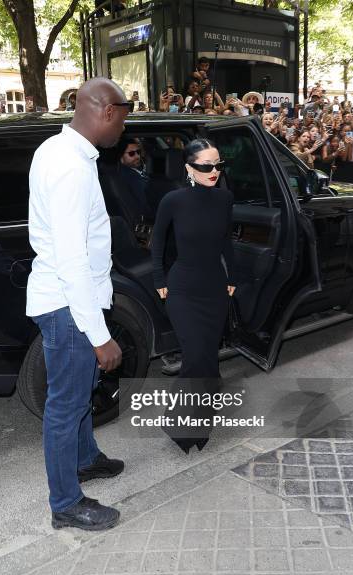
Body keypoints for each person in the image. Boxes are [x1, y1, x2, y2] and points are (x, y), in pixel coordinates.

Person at [26, 77, 129, 531]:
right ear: (107, 112)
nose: (123, 132)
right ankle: (66, 504)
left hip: (71, 301)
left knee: (81, 391)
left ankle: (86, 459)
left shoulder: (59, 150)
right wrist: (100, 335)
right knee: (65, 407)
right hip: (69, 305)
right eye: (123, 121)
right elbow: (71, 258)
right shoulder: (69, 166)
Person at [151, 139, 235, 452]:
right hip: (182, 288)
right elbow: (157, 243)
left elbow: (227, 241)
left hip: (215, 286)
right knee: (196, 357)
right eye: (205, 166)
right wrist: (159, 278)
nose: (214, 171)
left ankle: (199, 424)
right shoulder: (172, 201)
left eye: (218, 165)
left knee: (207, 358)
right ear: (189, 167)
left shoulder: (224, 198)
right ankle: (178, 423)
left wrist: (234, 276)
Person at [117, 137, 153, 221]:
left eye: (138, 152)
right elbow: (145, 206)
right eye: (131, 153)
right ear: (121, 158)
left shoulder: (127, 173)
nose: (137, 156)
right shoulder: (132, 178)